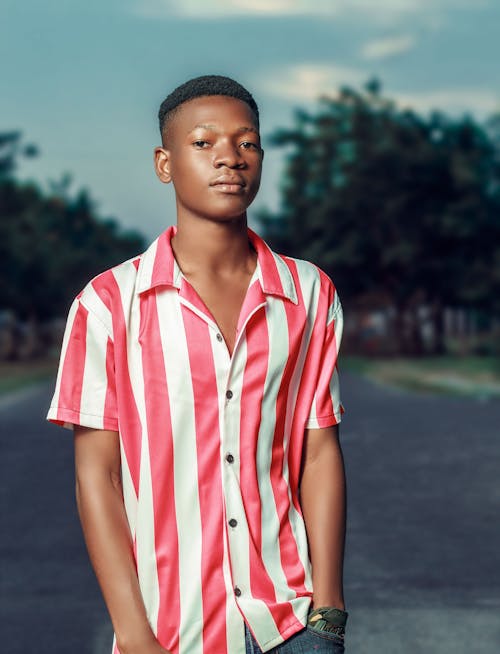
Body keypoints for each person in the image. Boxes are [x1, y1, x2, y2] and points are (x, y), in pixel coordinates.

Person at [47, 75, 348, 654]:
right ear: (165, 163)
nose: (230, 159)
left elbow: (318, 450)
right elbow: (98, 477)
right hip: (168, 634)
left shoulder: (309, 293)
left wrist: (328, 611)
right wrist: (134, 635)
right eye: (204, 143)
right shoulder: (108, 304)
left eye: (248, 143)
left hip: (292, 625)